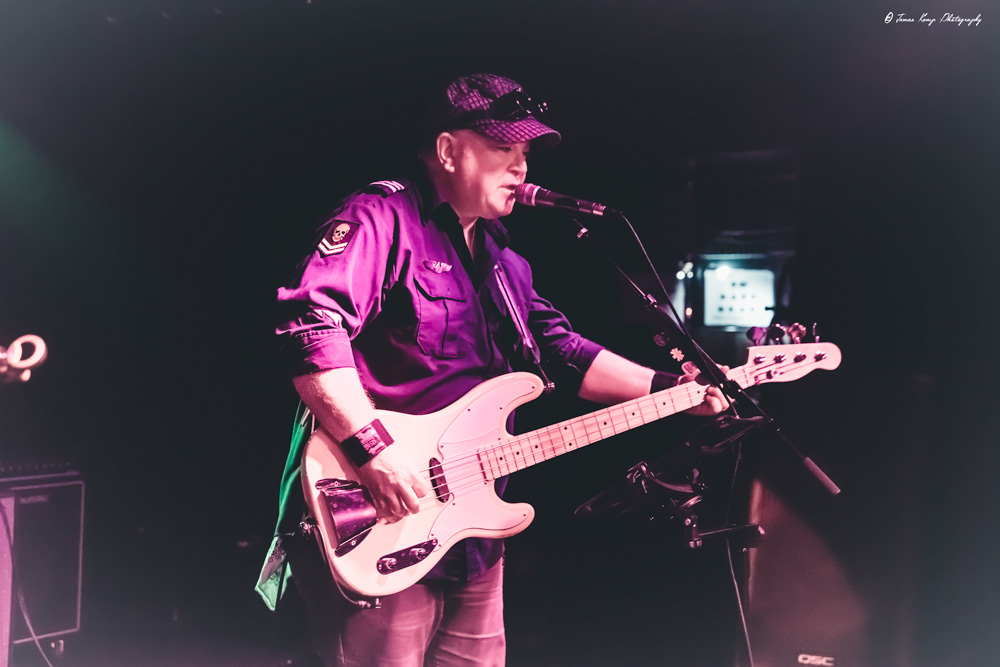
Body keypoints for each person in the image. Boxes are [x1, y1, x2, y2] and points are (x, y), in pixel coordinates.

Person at [257, 73, 727, 667]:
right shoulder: (382, 217)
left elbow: (562, 351)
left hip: (474, 530)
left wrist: (673, 389)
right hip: (384, 512)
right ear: (450, 151)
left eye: (526, 152)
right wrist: (372, 449)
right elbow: (312, 327)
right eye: (505, 148)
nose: (522, 167)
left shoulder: (505, 259)